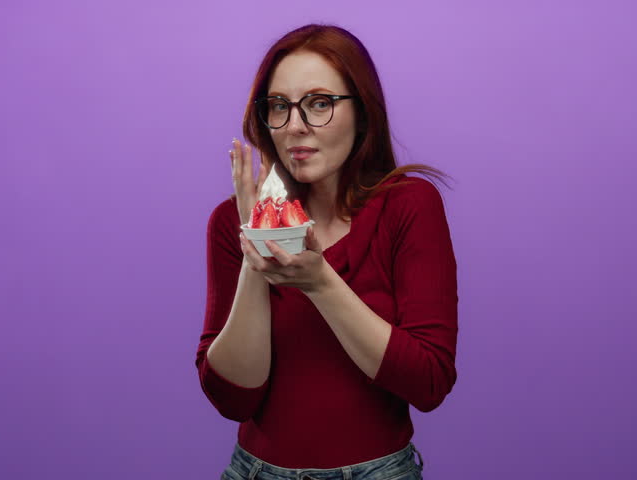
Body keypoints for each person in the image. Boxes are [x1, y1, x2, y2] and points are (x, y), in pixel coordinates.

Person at [196, 24, 458, 480]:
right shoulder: (229, 221)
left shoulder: (409, 205)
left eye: (319, 103)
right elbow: (234, 399)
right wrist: (257, 244)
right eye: (279, 106)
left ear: (362, 111)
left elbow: (429, 381)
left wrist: (320, 283)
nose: (295, 125)